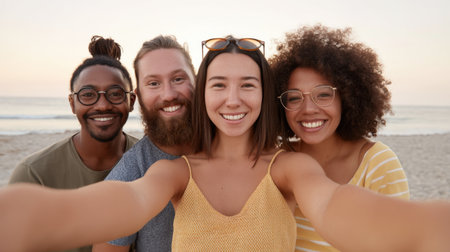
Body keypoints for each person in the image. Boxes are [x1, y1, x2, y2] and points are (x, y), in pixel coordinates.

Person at [1, 36, 450, 252]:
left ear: (264, 95)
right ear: (203, 94)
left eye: (248, 85)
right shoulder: (174, 171)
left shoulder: (289, 167)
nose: (232, 99)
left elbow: (336, 207)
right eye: (218, 84)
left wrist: (429, 225)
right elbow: (123, 201)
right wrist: (27, 216)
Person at [269, 25, 411, 251]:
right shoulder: (277, 159)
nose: (308, 109)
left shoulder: (377, 163)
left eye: (323, 95)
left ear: (347, 97)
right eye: (294, 98)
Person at [7, 35, 138, 252]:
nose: (103, 105)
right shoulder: (34, 175)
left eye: (115, 94)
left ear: (131, 101)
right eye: (88, 95)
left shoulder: (150, 164)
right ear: (72, 103)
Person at [92, 35, 195, 252]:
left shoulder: (233, 146)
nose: (168, 94)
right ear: (139, 96)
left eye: (178, 79)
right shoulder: (127, 178)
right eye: (153, 83)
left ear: (197, 82)